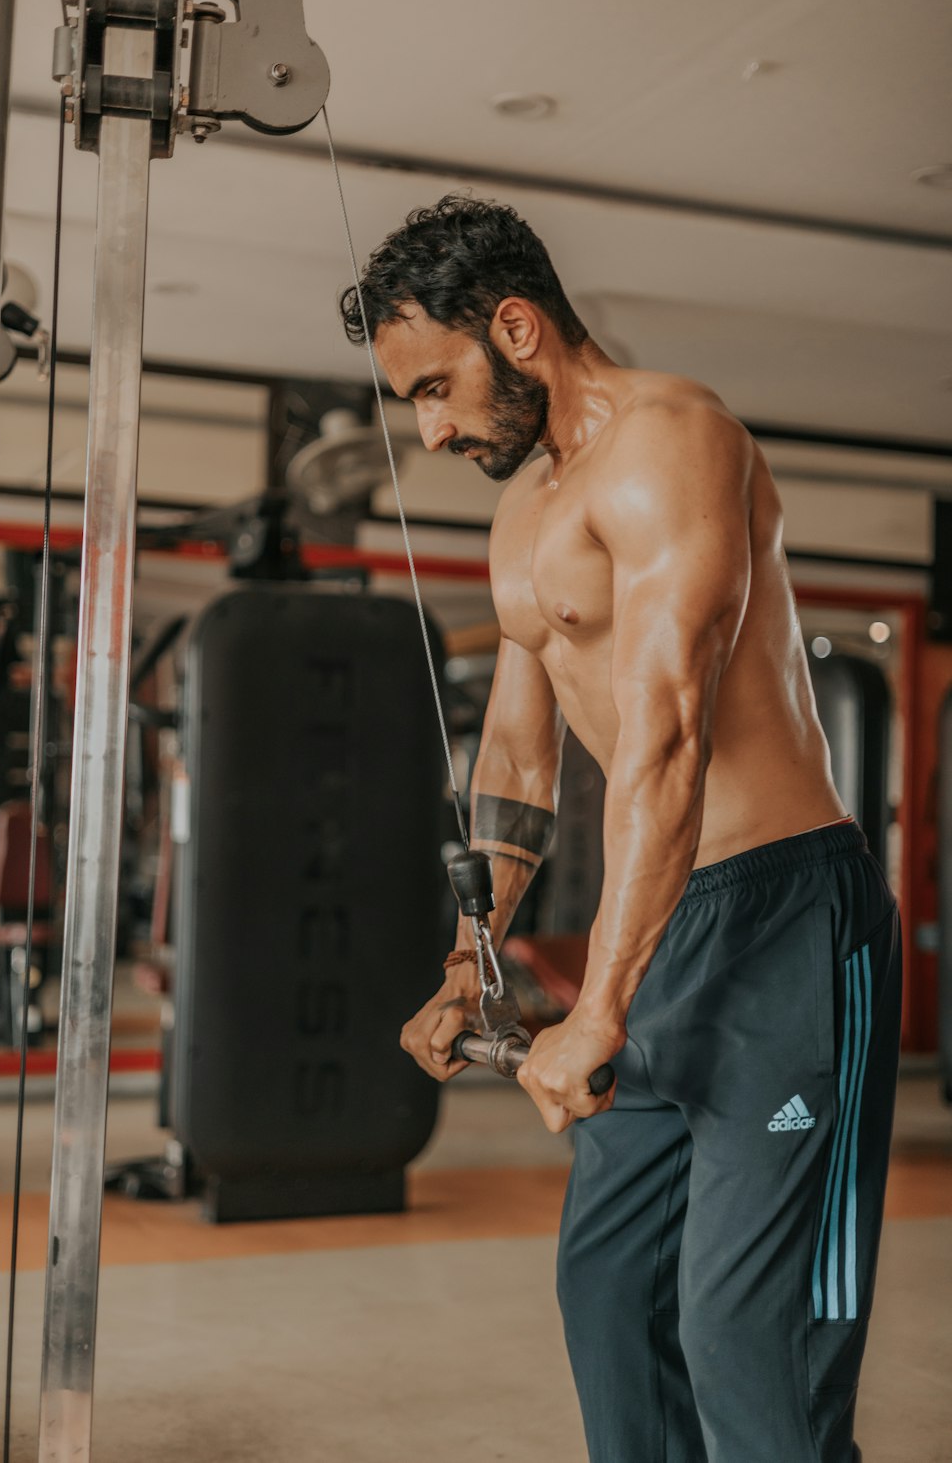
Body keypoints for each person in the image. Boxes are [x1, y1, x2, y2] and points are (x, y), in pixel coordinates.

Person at [340, 195, 901, 1463]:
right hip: (659, 926)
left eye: (436, 386)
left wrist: (597, 1003)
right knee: (611, 1299)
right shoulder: (522, 514)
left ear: (518, 328)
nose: (429, 429)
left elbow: (667, 738)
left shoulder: (671, 442)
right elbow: (524, 748)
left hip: (781, 920)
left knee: (747, 1340)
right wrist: (469, 958)